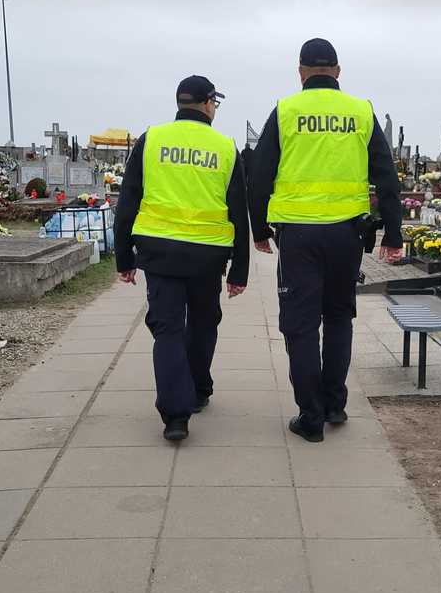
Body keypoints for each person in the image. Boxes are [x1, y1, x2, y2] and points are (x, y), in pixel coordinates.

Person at [250, 38, 404, 443]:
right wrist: (393, 233)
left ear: (301, 71)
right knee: (338, 317)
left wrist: (259, 228)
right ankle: (334, 404)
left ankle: (311, 416)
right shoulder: (361, 111)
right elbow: (386, 176)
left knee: (300, 325)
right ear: (337, 71)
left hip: (298, 234)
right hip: (347, 233)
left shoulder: (286, 110)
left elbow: (260, 173)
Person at [114, 75, 250, 441]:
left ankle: (176, 416)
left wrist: (124, 258)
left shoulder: (151, 140)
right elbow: (239, 212)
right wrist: (239, 270)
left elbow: (128, 202)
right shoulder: (225, 147)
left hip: (160, 254)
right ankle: (199, 389)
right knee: (204, 323)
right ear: (207, 103)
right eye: (215, 103)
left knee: (168, 330)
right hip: (208, 255)